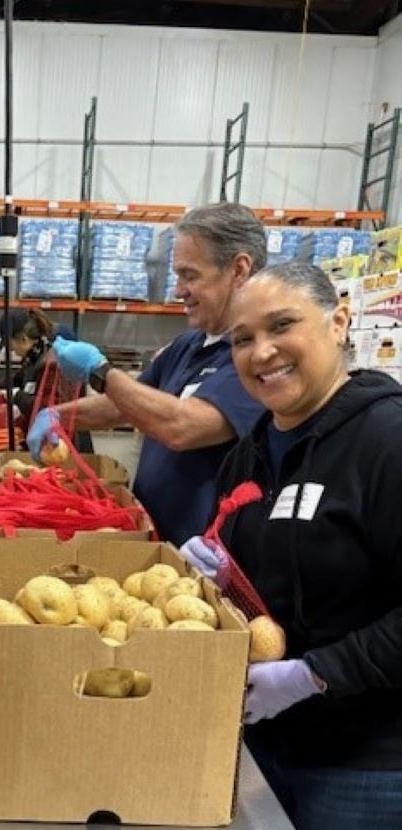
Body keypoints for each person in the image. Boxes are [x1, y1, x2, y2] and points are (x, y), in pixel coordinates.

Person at [178, 262, 402, 830]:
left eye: (283, 326)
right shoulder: (252, 452)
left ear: (339, 322)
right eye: (243, 339)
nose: (262, 353)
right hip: (264, 742)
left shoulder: (386, 442)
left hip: (365, 766)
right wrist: (214, 575)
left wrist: (316, 674)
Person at [28, 202, 267, 545]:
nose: (178, 290)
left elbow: (181, 427)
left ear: (239, 269)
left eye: (190, 275)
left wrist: (99, 371)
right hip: (151, 539)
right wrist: (58, 417)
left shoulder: (252, 357)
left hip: (200, 559)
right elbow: (123, 404)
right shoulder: (186, 345)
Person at [0, 306, 92, 451]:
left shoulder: (53, 364)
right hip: (44, 441)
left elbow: (51, 410)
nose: (11, 350)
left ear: (23, 339)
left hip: (63, 446)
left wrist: (17, 396)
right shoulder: (35, 357)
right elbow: (17, 378)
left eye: (10, 344)